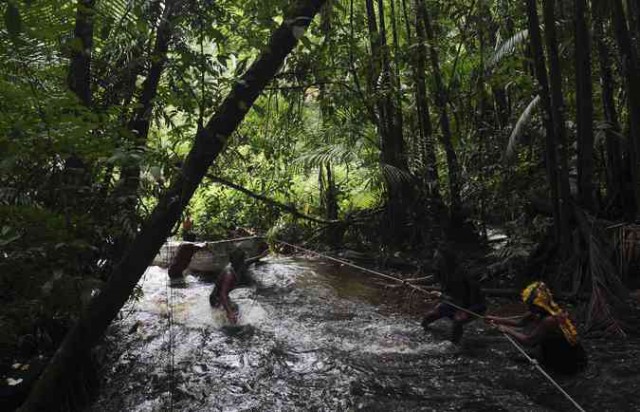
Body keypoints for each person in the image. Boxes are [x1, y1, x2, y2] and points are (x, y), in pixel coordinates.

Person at [485, 281, 587, 375]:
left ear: (539, 304)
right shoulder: (537, 311)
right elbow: (519, 322)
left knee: (557, 376)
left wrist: (507, 330)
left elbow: (529, 341)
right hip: (550, 350)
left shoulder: (550, 319)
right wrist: (495, 319)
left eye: (531, 305)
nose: (529, 307)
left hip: (567, 357)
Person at [421, 247, 487, 343]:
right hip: (453, 302)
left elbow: (463, 297)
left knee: (458, 320)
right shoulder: (442, 271)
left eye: (437, 259)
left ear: (445, 260)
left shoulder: (460, 273)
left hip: (471, 305)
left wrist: (440, 295)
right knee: (430, 316)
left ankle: (454, 345)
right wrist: (409, 281)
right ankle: (426, 334)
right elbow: (432, 279)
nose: (435, 261)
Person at [209, 247, 268, 324]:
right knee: (232, 314)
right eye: (244, 259)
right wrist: (230, 313)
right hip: (216, 299)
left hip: (223, 296)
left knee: (236, 310)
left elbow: (249, 261)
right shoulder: (229, 275)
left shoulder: (238, 266)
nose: (245, 261)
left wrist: (260, 256)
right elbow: (223, 295)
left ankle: (230, 321)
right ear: (239, 262)